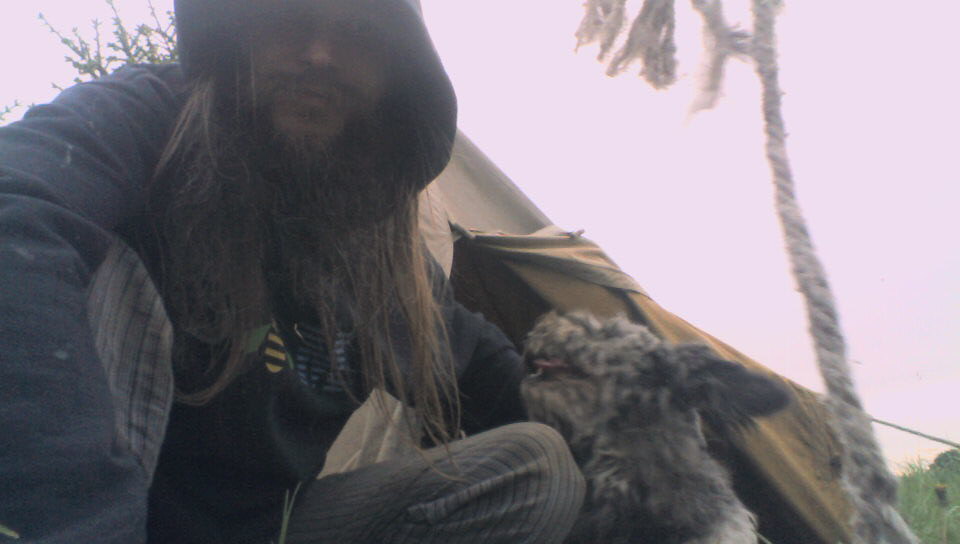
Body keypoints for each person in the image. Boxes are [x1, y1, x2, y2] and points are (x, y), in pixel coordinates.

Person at [0, 0, 585, 542]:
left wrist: (620, 440)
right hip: (96, 506)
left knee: (533, 466)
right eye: (289, 16)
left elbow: (488, 369)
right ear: (243, 35)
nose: (319, 54)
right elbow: (17, 206)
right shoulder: (154, 116)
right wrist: (75, 512)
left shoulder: (377, 252)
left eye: (359, 34)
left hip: (266, 527)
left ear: (393, 78)